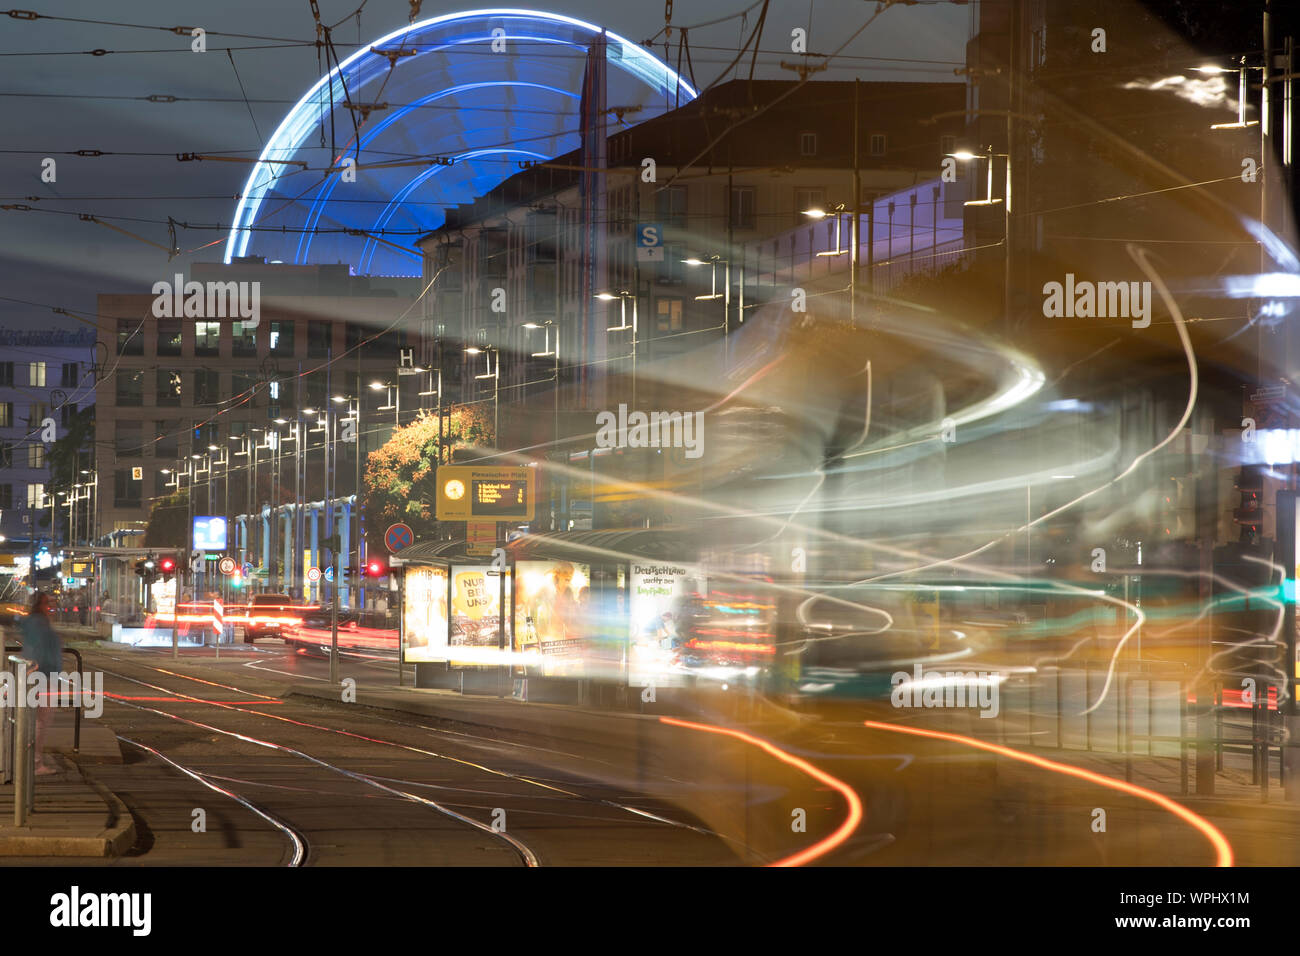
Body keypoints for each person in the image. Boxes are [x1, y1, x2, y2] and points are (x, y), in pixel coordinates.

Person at [19, 592, 63, 775]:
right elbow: (40, 651)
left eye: (53, 602)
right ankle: (35, 764)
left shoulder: (33, 622)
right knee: (40, 721)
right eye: (48, 603)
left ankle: (30, 761)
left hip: (36, 675)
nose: (52, 606)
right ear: (39, 605)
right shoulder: (41, 625)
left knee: (35, 720)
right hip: (42, 676)